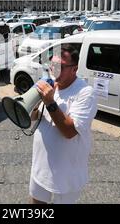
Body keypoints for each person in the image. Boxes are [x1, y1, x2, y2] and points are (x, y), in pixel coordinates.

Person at [29, 43, 97, 204]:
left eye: (60, 66)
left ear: (74, 69)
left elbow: (69, 131)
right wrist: (31, 105)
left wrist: (50, 102)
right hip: (40, 167)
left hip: (67, 174)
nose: (54, 69)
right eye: (52, 64)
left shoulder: (86, 93)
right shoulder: (52, 85)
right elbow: (35, 117)